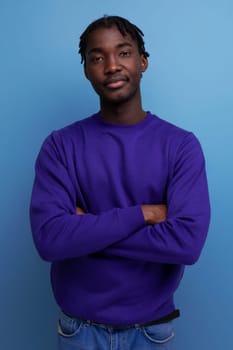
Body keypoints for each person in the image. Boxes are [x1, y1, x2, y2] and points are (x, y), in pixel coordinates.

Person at [30, 15, 210, 350]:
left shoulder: (181, 145)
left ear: (143, 62)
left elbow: (187, 244)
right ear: (86, 69)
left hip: (151, 332)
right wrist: (143, 213)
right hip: (79, 331)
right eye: (97, 58)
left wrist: (85, 231)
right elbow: (50, 240)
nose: (111, 66)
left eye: (123, 53)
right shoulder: (60, 146)